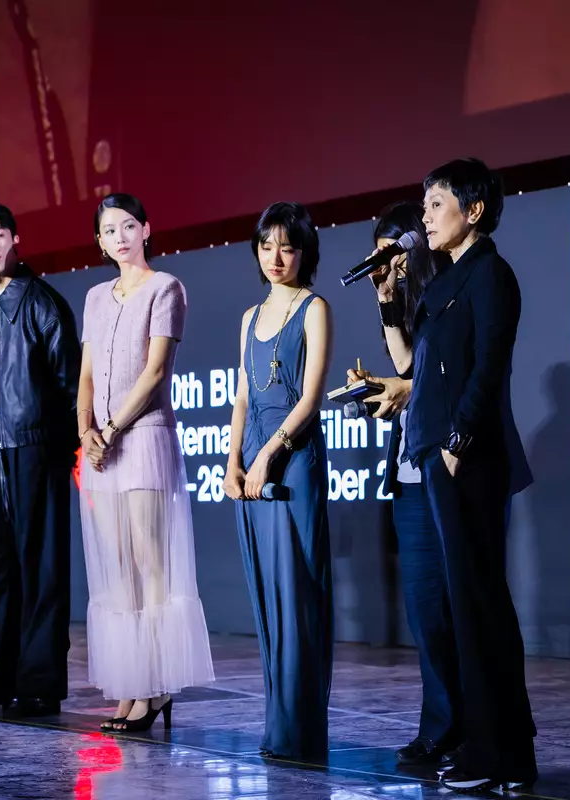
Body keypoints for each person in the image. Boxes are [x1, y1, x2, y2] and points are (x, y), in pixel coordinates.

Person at [352, 201, 535, 773]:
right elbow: (411, 368)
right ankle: (445, 726)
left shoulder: (470, 284)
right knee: (427, 610)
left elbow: (443, 375)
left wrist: (409, 396)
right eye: (381, 255)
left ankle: (488, 737)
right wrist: (386, 302)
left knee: (470, 606)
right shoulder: (423, 302)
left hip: (457, 462)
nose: (389, 263)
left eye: (394, 252)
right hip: (415, 470)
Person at [77, 193, 214, 732]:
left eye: (129, 226)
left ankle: (157, 686)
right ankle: (132, 684)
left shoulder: (165, 288)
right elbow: (86, 375)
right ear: (100, 241)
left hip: (144, 437)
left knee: (148, 559)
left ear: (146, 229)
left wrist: (111, 429)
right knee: (117, 568)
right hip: (102, 446)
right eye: (110, 230)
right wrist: (86, 430)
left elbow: (156, 372)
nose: (120, 237)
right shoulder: (95, 297)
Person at [0, 202, 81, 718]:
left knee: (41, 567)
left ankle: (39, 685)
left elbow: (71, 386)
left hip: (33, 443)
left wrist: (57, 449)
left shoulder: (43, 302)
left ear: (15, 239)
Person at [222, 201, 334, 761]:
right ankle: (279, 726)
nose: (275, 257)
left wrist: (269, 455)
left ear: (304, 252)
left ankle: (300, 732)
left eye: (287, 247)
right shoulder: (248, 317)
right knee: (268, 596)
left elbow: (311, 399)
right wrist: (233, 461)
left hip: (294, 459)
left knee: (299, 594)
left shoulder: (314, 308)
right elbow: (243, 396)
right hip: (253, 462)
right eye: (266, 246)